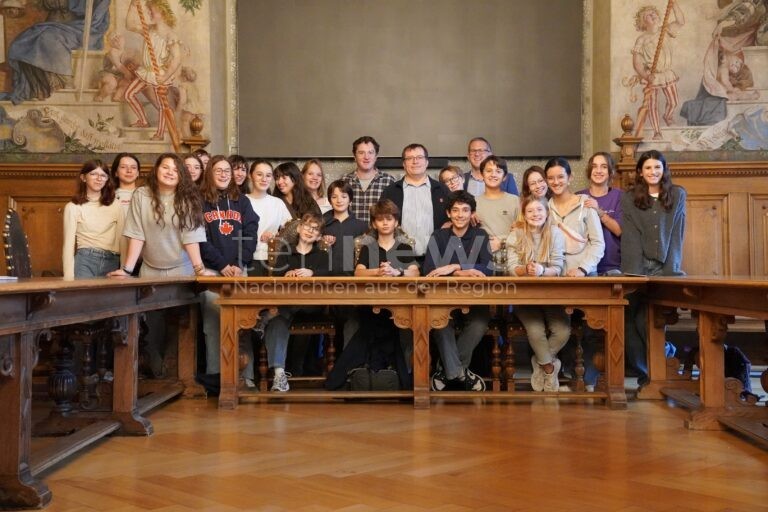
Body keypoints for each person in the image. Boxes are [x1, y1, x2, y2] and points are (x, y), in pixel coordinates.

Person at [108, 153, 207, 378]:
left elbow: (190, 237)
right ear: (156, 170)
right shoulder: (141, 195)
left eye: (175, 169)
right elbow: (136, 234)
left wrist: (200, 269)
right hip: (150, 270)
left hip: (181, 270)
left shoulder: (189, 199)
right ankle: (158, 374)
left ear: (181, 175)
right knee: (151, 327)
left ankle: (176, 376)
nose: (170, 172)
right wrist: (127, 270)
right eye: (165, 167)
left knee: (181, 325)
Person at [621, 150, 687, 385]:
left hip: (664, 266)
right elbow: (630, 237)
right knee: (630, 323)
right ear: (640, 171)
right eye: (648, 168)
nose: (653, 172)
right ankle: (646, 374)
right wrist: (635, 274)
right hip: (637, 266)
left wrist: (671, 271)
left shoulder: (677, 195)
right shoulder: (629, 198)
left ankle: (663, 359)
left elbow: (677, 234)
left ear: (664, 169)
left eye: (657, 167)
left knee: (647, 322)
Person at [199, 155, 259, 386]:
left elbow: (250, 233)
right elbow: (199, 238)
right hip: (212, 271)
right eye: (218, 170)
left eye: (227, 170)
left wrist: (238, 263)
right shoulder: (200, 201)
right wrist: (222, 265)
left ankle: (247, 377)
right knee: (213, 324)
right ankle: (218, 379)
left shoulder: (241, 201)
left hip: (238, 270)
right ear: (210, 174)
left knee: (243, 325)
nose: (224, 174)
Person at [423, 190, 492, 392]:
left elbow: (488, 268)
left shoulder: (480, 235)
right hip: (443, 300)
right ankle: (460, 374)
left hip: (475, 300)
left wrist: (454, 268)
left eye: (465, 210)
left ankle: (447, 371)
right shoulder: (439, 235)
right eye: (455, 210)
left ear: (472, 213)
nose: (460, 214)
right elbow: (430, 270)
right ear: (448, 213)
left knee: (479, 323)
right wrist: (465, 271)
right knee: (440, 325)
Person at [507, 196, 569, 392]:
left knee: (563, 331)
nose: (535, 214)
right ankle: (550, 369)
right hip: (524, 297)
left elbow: (558, 267)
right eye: (530, 211)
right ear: (524, 215)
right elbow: (511, 267)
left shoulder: (555, 234)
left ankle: (540, 361)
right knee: (536, 331)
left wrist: (543, 271)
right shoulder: (515, 234)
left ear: (547, 213)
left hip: (551, 296)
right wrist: (526, 269)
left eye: (539, 210)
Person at [263, 213, 331, 392]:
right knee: (277, 321)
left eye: (315, 229)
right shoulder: (286, 253)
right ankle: (279, 375)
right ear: (299, 228)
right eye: (307, 226)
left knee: (275, 315)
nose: (310, 231)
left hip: (311, 307)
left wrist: (312, 273)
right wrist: (286, 276)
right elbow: (275, 280)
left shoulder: (322, 256)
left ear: (318, 236)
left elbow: (332, 277)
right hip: (287, 306)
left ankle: (262, 322)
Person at [124, 0, 182, 141]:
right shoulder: (148, 29)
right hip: (146, 71)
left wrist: (166, 76)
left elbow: (176, 59)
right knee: (129, 94)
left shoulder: (170, 35)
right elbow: (129, 25)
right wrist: (132, 6)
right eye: (149, 10)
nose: (149, 13)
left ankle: (160, 133)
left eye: (152, 11)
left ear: (162, 13)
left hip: (160, 74)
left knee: (162, 105)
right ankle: (143, 121)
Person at [381, 143, 450, 260]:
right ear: (404, 164)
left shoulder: (442, 190)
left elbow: (454, 216)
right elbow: (381, 221)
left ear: (427, 162)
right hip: (399, 257)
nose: (415, 161)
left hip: (436, 257)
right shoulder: (390, 192)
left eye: (419, 157)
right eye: (410, 158)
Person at [630, 1, 685, 139]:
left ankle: (667, 116)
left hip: (666, 73)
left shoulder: (665, 30)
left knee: (673, 101)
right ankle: (657, 131)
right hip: (652, 75)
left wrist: (674, 5)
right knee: (652, 105)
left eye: (653, 12)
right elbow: (636, 63)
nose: (652, 15)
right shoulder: (641, 39)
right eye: (648, 15)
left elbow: (680, 21)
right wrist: (645, 75)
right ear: (643, 23)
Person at [62, 159, 122, 280]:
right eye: (93, 174)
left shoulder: (116, 205)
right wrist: (68, 278)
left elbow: (123, 239)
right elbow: (68, 244)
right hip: (85, 259)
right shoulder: (73, 207)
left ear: (107, 180)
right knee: (84, 299)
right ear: (83, 177)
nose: (99, 178)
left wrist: (124, 269)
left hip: (112, 261)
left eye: (103, 175)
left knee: (110, 299)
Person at [545, 157, 605, 277]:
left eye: (561, 177)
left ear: (570, 177)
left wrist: (583, 269)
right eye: (551, 178)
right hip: (555, 275)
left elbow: (598, 243)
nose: (556, 182)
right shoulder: (545, 209)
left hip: (585, 274)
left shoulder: (586, 203)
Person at [577, 152, 622, 276]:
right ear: (589, 170)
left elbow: (619, 230)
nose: (598, 170)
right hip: (584, 266)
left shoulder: (619, 196)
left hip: (612, 266)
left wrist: (598, 211)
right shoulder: (578, 197)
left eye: (603, 166)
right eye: (594, 166)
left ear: (610, 171)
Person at [246, 159, 293, 276]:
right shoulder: (242, 201)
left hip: (273, 259)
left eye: (268, 175)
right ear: (250, 176)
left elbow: (291, 231)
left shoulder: (277, 203)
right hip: (246, 259)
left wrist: (275, 236)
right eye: (259, 174)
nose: (264, 179)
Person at [474, 155, 520, 266]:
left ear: (504, 177)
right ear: (481, 175)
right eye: (489, 171)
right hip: (483, 261)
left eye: (498, 171)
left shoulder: (515, 201)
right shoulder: (473, 203)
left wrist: (502, 243)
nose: (493, 174)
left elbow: (524, 233)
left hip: (512, 260)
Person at [342, 136, 396, 222]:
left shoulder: (388, 181)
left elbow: (394, 214)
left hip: (378, 235)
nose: (366, 157)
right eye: (361, 153)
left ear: (376, 156)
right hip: (350, 235)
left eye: (370, 152)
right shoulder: (344, 181)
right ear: (355, 157)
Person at [322, 180, 368, 275]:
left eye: (344, 196)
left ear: (350, 200)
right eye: (334, 197)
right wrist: (323, 242)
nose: (339, 201)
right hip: (324, 277)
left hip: (352, 279)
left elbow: (366, 255)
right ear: (330, 201)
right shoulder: (322, 224)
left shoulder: (361, 226)